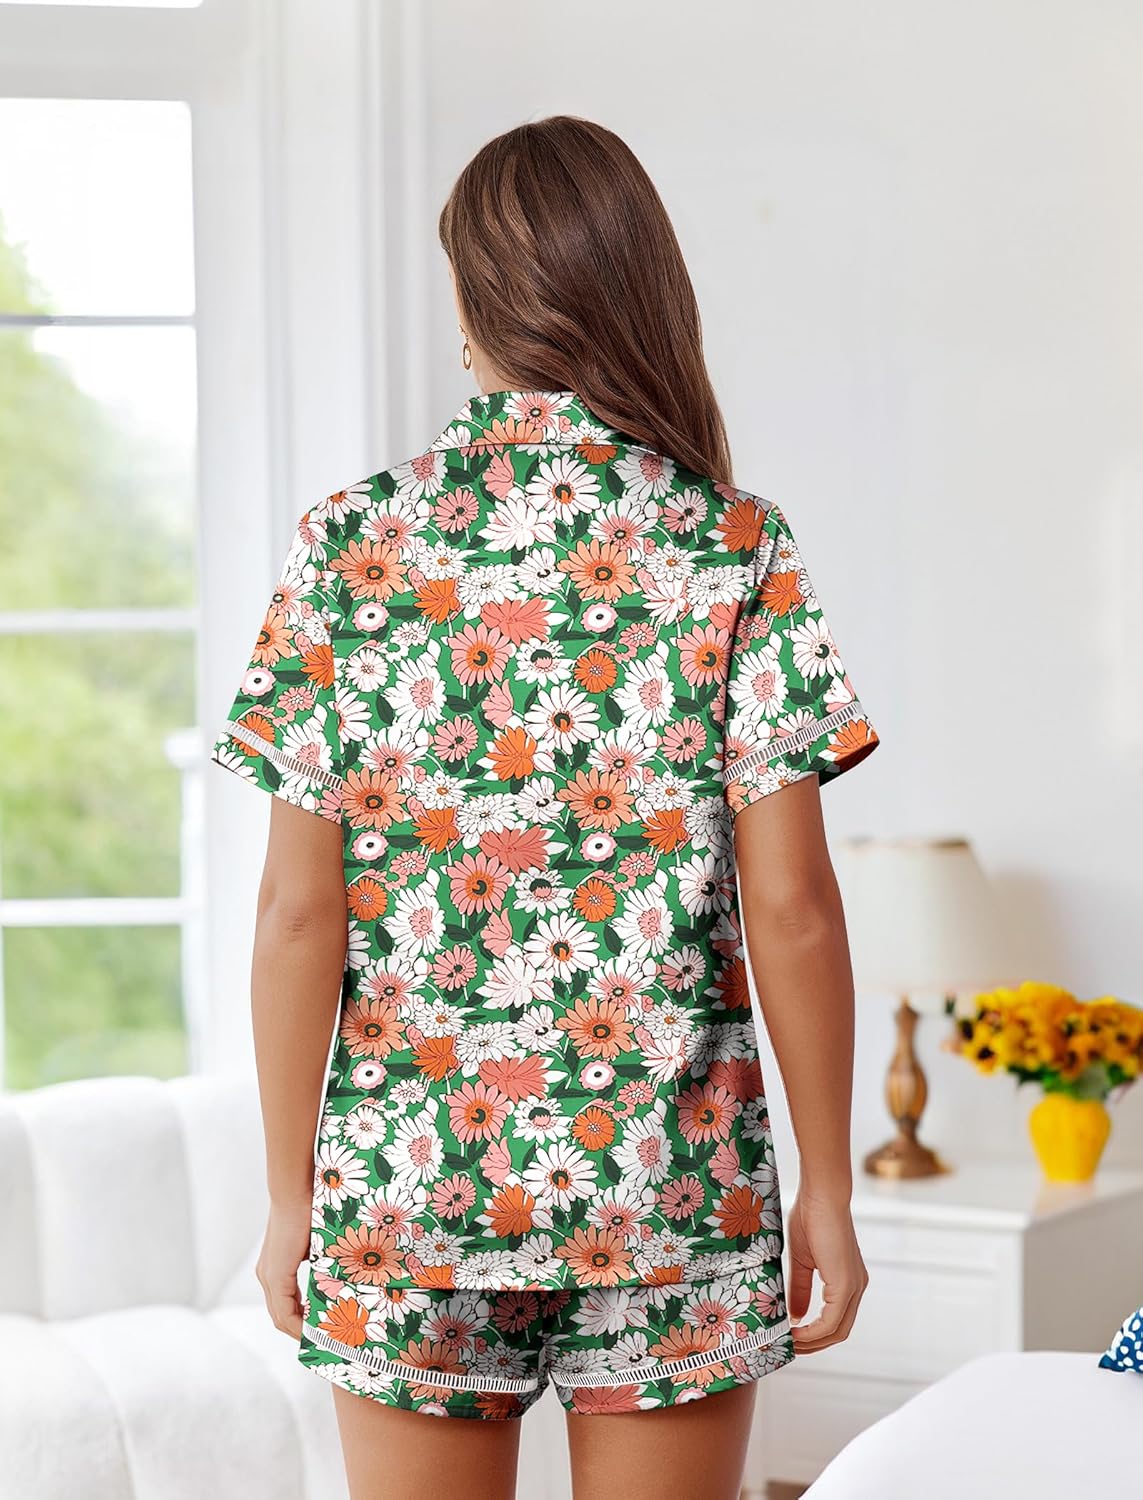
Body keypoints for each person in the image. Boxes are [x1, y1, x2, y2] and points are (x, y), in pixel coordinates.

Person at [210, 115, 879, 1500]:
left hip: (406, 1197)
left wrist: (289, 1197)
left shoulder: (351, 545)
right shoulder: (732, 544)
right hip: (674, 1197)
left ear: (470, 306)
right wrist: (830, 1181)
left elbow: (296, 918)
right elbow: (795, 908)